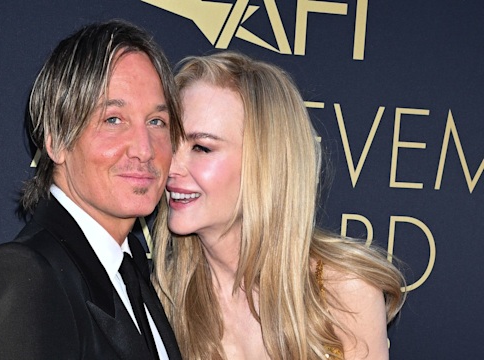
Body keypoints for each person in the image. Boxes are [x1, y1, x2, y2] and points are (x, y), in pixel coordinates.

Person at [152, 52, 406, 360]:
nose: (170, 166)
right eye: (169, 142)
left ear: (266, 164)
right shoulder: (162, 300)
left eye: (201, 147)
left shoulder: (343, 291)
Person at [0, 20, 184, 360]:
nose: (144, 148)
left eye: (156, 122)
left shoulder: (134, 268)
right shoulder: (25, 278)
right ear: (57, 140)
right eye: (113, 120)